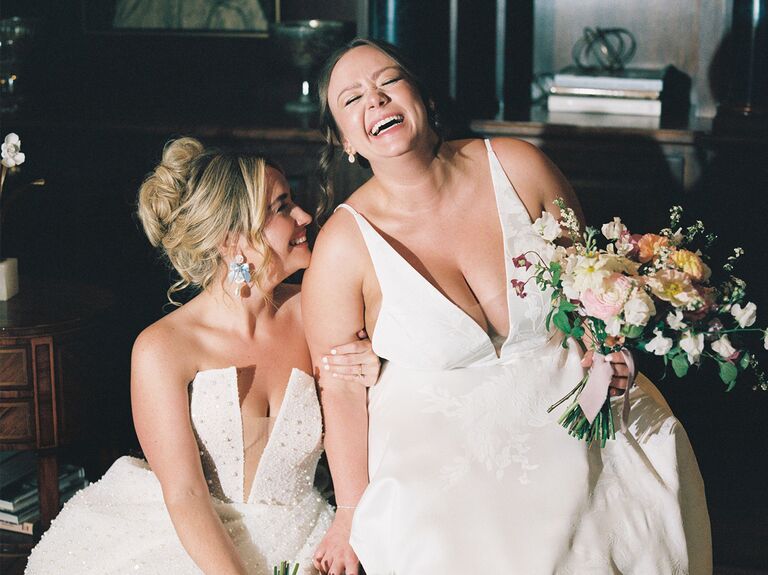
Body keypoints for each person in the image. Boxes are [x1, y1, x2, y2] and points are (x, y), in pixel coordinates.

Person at [302, 38, 713, 575]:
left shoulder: (518, 166)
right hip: (439, 446)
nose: (375, 101)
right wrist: (350, 513)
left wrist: (608, 353)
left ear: (422, 97)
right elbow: (339, 390)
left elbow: (592, 288)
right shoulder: (342, 246)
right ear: (344, 141)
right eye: (351, 99)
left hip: (568, 397)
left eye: (388, 81)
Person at [25, 137, 381, 575]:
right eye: (282, 206)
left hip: (310, 537)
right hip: (194, 541)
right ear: (233, 241)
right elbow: (186, 495)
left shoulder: (318, 309)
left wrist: (378, 365)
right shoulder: (163, 348)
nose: (304, 216)